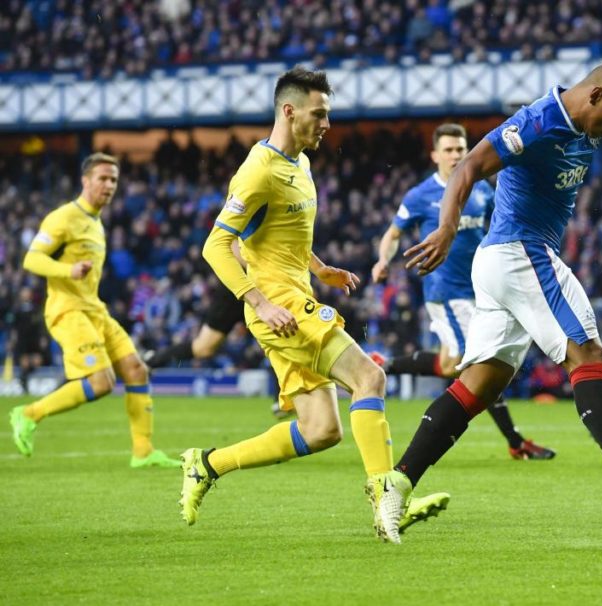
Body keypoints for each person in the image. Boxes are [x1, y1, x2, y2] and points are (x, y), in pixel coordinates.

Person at [374, 61, 602, 536]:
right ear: (594, 96)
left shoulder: (597, 123)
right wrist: (446, 226)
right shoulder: (536, 122)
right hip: (520, 251)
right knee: (587, 352)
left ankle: (397, 484)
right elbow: (469, 166)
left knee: (480, 384)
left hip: (502, 260)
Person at [178, 67, 446, 544]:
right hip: (278, 306)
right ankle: (389, 499)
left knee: (321, 430)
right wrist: (258, 302)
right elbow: (216, 245)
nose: (327, 123)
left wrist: (321, 269)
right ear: (289, 110)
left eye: (328, 114)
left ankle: (207, 464)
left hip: (295, 296)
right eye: (319, 113)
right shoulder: (259, 171)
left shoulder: (299, 163)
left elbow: (283, 233)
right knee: (371, 377)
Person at [370, 123, 555, 460]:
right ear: (435, 155)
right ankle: (515, 442)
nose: (456, 155)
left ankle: (384, 364)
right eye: (450, 150)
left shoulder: (481, 188)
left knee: (450, 363)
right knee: (480, 362)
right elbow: (393, 233)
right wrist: (383, 260)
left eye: (461, 149)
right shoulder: (420, 195)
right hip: (446, 292)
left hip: (480, 289)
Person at [9, 153, 178, 468]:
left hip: (94, 310)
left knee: (136, 369)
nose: (109, 185)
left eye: (113, 179)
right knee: (101, 383)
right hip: (67, 310)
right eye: (102, 178)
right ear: (85, 181)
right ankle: (28, 413)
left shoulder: (96, 222)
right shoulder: (63, 218)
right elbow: (31, 259)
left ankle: (143, 452)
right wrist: (68, 270)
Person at [143, 249, 286, 418]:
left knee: (279, 335)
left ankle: (282, 400)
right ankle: (153, 360)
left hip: (266, 286)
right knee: (204, 347)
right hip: (237, 287)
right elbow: (231, 246)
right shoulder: (241, 224)